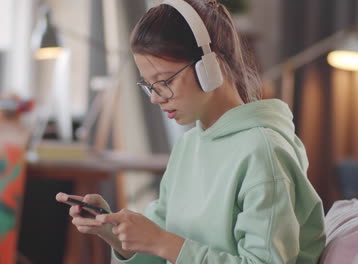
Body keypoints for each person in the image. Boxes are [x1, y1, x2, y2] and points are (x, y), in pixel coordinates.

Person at [56, 0, 326, 263]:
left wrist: (162, 241)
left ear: (211, 68)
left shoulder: (264, 153)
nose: (155, 97)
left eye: (165, 81)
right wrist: (114, 234)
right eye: (149, 85)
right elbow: (161, 247)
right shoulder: (189, 145)